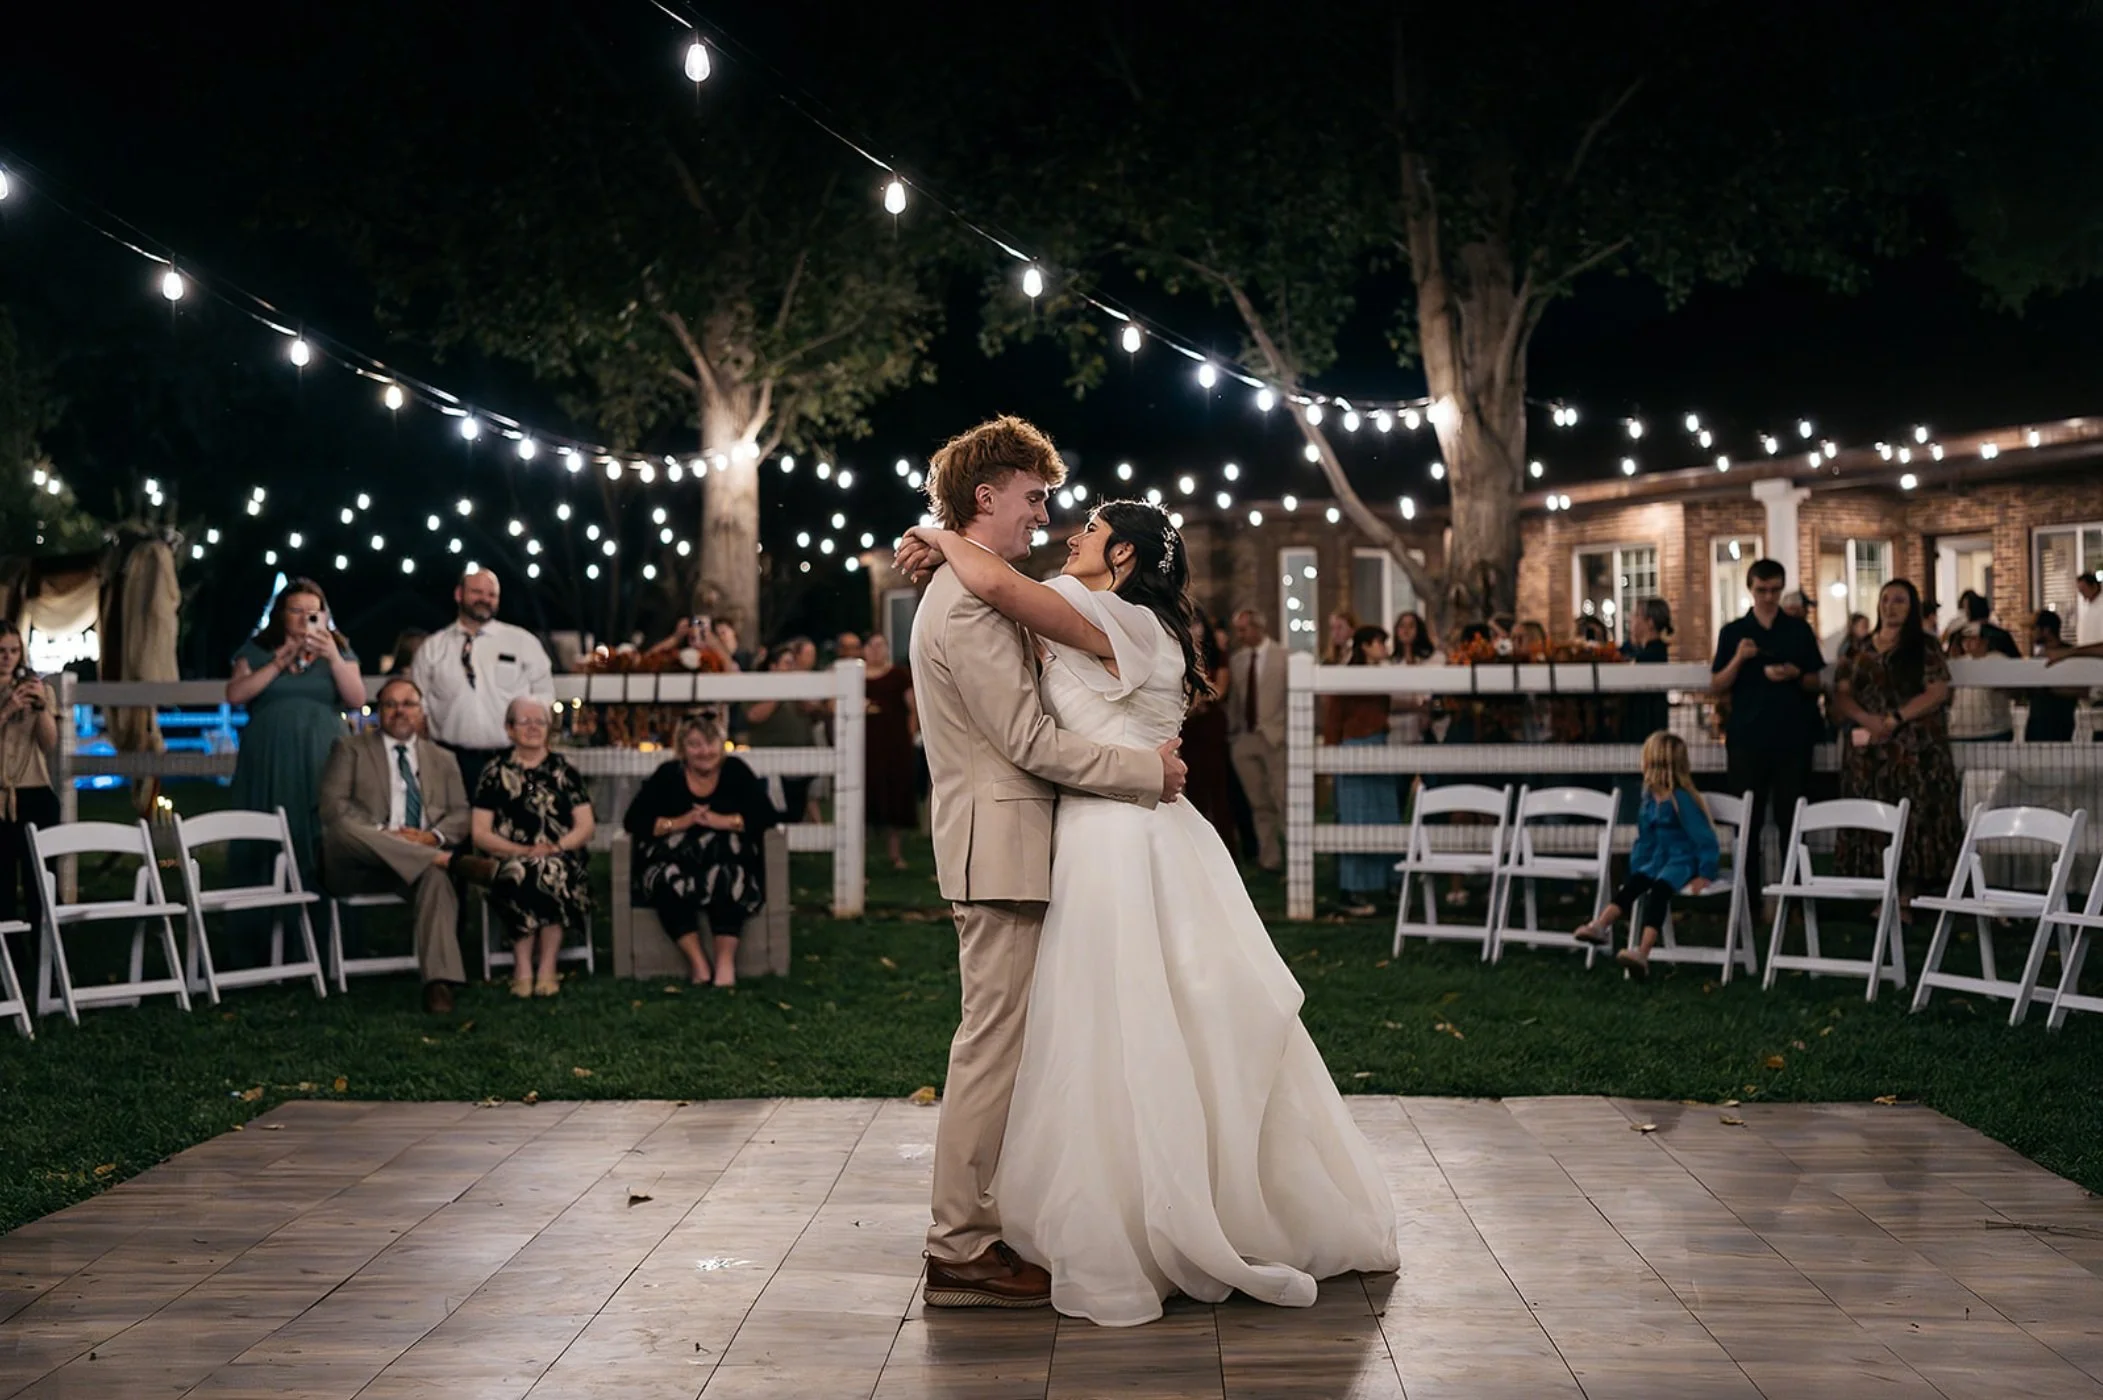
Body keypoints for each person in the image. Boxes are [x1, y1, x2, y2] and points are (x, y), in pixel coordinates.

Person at [897, 492, 1397, 1328]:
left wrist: (938, 536)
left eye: (1089, 528)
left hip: (1120, 839)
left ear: (1122, 557)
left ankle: (1151, 1218)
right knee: (1112, 1028)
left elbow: (1006, 591)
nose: (1069, 534)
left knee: (1133, 1026)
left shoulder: (1114, 616)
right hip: (1113, 832)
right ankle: (1122, 1203)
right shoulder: (1121, 619)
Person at [893, 415, 1185, 1314]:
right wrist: (1147, 771)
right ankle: (959, 1245)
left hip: (1013, 845)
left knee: (1011, 1044)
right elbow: (1024, 739)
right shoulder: (966, 601)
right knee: (990, 1050)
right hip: (1000, 845)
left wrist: (932, 540)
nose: (1043, 518)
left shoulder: (969, 585)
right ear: (987, 496)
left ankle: (996, 1220)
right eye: (1032, 498)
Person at [318, 678, 485, 1014]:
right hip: (359, 862)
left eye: (408, 704)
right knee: (341, 828)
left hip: (413, 865)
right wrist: (384, 835)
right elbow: (332, 807)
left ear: (421, 712)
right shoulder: (350, 748)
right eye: (390, 704)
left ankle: (439, 984)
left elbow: (461, 813)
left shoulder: (442, 758)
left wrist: (432, 838)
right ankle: (443, 860)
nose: (399, 711)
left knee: (436, 877)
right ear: (380, 712)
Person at [226, 579, 364, 943]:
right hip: (270, 756)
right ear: (281, 615)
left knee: (322, 832)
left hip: (323, 754)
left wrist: (333, 656)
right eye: (296, 611)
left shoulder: (339, 650)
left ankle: (326, 936)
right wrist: (278, 661)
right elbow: (236, 695)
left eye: (313, 612)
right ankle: (262, 935)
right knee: (266, 831)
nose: (305, 619)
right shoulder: (258, 649)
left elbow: (356, 697)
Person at [1829, 579, 1962, 915]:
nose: (1891, 607)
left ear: (1911, 606)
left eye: (1900, 601)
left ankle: (1908, 890)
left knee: (1915, 815)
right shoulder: (1858, 649)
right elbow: (1841, 692)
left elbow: (1937, 691)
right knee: (1873, 813)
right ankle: (1877, 890)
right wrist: (1866, 718)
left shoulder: (1925, 647)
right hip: (1869, 748)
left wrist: (1895, 718)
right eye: (1885, 599)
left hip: (1915, 748)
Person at [622, 708, 776, 987]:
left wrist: (724, 821)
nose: (704, 751)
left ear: (721, 745)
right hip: (676, 859)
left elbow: (766, 816)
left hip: (726, 856)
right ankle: (699, 964)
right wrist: (680, 822)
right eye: (695, 744)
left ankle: (725, 964)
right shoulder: (668, 775)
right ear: (682, 748)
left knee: (729, 874)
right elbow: (634, 820)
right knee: (663, 877)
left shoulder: (736, 772)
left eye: (710, 743)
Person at [1709, 560, 1824, 887]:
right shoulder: (1733, 632)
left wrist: (1796, 674)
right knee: (1746, 821)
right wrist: (1739, 659)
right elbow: (1717, 683)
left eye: (1774, 590)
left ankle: (1795, 897)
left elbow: (1817, 680)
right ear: (1751, 589)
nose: (1769, 597)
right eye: (1762, 590)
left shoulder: (1798, 630)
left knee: (1794, 820)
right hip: (1747, 737)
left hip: (1792, 737)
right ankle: (1749, 900)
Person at [471, 698, 595, 997]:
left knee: (549, 869)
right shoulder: (494, 772)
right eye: (524, 722)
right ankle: (523, 966)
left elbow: (586, 826)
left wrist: (555, 847)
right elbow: (480, 832)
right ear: (509, 729)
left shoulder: (564, 771)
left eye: (539, 722)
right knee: (522, 870)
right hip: (509, 855)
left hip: (560, 855)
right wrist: (520, 850)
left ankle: (547, 967)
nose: (532, 728)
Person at [1575, 732, 1719, 980]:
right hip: (1658, 858)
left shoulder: (1680, 799)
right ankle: (1600, 926)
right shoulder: (1649, 799)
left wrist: (1705, 872)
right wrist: (1640, 865)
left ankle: (1643, 952)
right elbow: (1645, 837)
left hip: (1681, 860)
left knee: (1659, 892)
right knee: (1633, 886)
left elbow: (1704, 838)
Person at [411, 568, 555, 796]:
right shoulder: (432, 648)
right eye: (477, 592)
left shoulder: (524, 642)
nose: (484, 600)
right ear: (459, 594)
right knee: (455, 828)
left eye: (491, 595)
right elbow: (418, 709)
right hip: (449, 761)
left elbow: (545, 701)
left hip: (511, 758)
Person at [0, 623, 58, 991]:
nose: (7, 659)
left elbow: (49, 745)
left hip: (36, 794)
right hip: (2, 800)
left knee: (41, 887)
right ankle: (11, 970)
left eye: (13, 651)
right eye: (0, 651)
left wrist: (40, 708)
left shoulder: (39, 689)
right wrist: (6, 711)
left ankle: (47, 969)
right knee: (3, 891)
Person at [1324, 625, 1396, 917]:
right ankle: (1354, 888)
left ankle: (1383, 884)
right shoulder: (1347, 675)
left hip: (1377, 741)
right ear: (1366, 646)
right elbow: (1334, 714)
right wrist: (1330, 753)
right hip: (1354, 744)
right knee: (1356, 815)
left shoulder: (1382, 674)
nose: (1383, 649)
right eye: (1379, 643)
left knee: (1382, 813)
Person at [1227, 606, 1288, 870]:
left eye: (1243, 629)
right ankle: (1270, 858)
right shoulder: (1238, 660)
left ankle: (1296, 858)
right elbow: (1235, 702)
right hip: (1245, 738)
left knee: (1283, 798)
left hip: (1276, 738)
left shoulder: (1284, 658)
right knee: (1258, 802)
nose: (1239, 635)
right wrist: (1234, 734)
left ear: (1257, 628)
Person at [1180, 607, 1238, 857]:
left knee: (1218, 787)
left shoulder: (1217, 655)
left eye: (1197, 624)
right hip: (1188, 726)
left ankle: (1227, 850)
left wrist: (1196, 694)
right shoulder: (1180, 653)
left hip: (1211, 724)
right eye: (1189, 624)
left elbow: (1218, 690)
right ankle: (1199, 851)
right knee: (1192, 788)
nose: (1195, 629)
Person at [861, 634, 919, 870]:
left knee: (895, 794)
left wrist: (910, 734)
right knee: (865, 793)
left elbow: (913, 706)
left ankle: (895, 853)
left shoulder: (898, 676)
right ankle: (859, 855)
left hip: (893, 742)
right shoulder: (855, 676)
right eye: (872, 646)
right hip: (865, 743)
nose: (876, 651)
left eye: (881, 646)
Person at [742, 645, 820, 821]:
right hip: (770, 764)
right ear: (773, 666)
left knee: (795, 813)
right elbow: (754, 716)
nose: (791, 668)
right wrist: (781, 691)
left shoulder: (799, 688)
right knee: (772, 815)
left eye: (793, 664)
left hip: (801, 762)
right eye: (787, 663)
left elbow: (814, 710)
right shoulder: (758, 687)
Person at [1946, 624, 2014, 742]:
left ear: (1984, 641)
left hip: (1992, 731)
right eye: (1965, 639)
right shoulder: (1960, 662)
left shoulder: (1998, 660)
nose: (1967, 643)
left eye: (1973, 639)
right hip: (1960, 731)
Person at [2028, 610, 2086, 741]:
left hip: (2059, 726)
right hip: (2035, 726)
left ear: (2046, 630)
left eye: (2034, 628)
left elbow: (2082, 690)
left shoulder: (2070, 655)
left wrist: (2049, 687)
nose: (2030, 633)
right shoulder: (2037, 658)